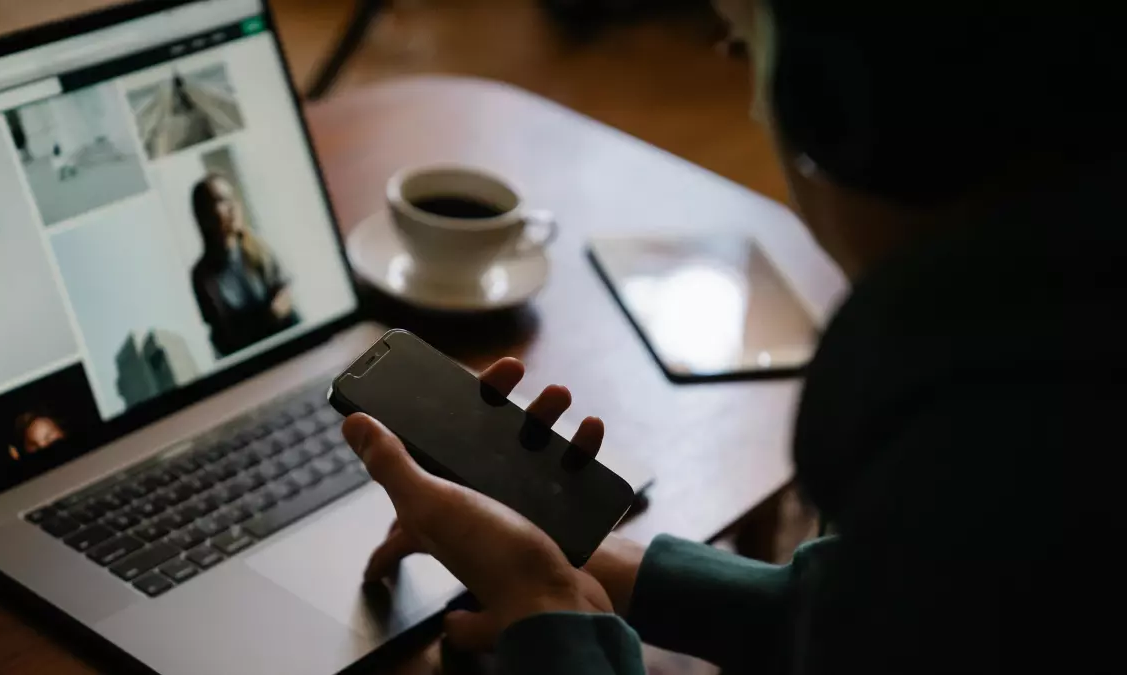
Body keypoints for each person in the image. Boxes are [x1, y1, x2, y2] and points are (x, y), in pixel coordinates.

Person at [341, 2, 1119, 674]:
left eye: (746, 48)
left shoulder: (968, 456)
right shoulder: (1053, 350)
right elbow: (877, 614)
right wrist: (599, 569)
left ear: (837, 108)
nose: (756, 109)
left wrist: (555, 623)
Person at [190, 173, 299, 358]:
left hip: (291, 343)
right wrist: (266, 318)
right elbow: (224, 335)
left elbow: (285, 297)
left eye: (232, 198)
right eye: (221, 200)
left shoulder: (258, 247)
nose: (233, 207)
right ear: (205, 214)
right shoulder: (202, 275)